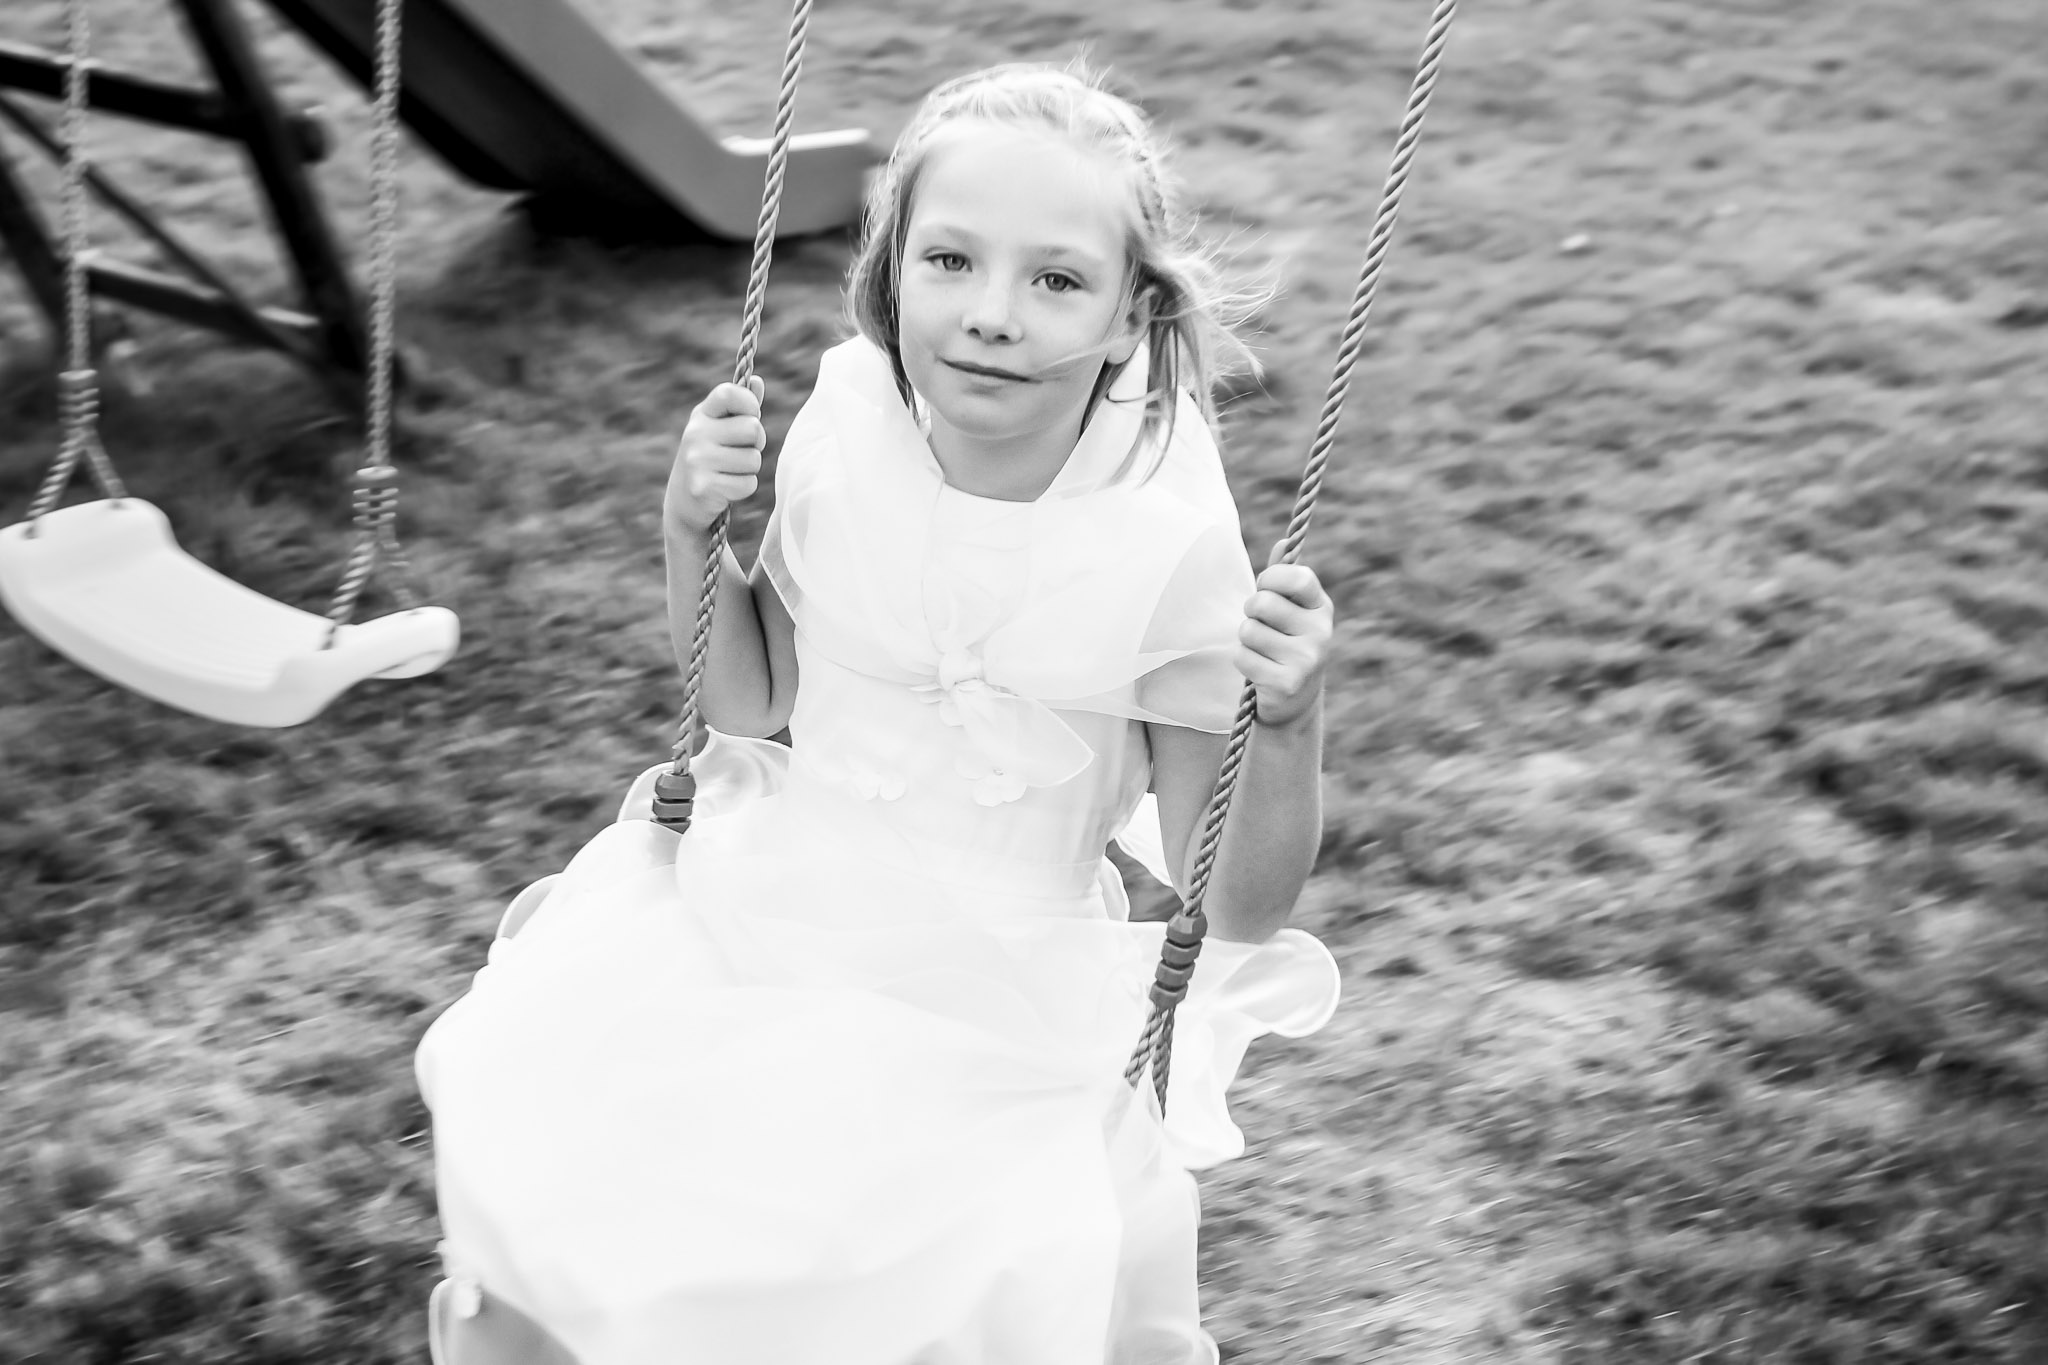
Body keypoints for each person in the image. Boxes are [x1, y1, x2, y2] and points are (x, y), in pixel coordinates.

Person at [416, 61, 1342, 1365]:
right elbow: (750, 696)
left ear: (1132, 316)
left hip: (994, 994)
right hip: (768, 905)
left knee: (902, 1283)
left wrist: (1289, 724)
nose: (993, 317)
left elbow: (1233, 904)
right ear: (893, 268)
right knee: (612, 1185)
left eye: (1057, 279)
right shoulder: (847, 425)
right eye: (952, 262)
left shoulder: (1168, 555)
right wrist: (693, 532)